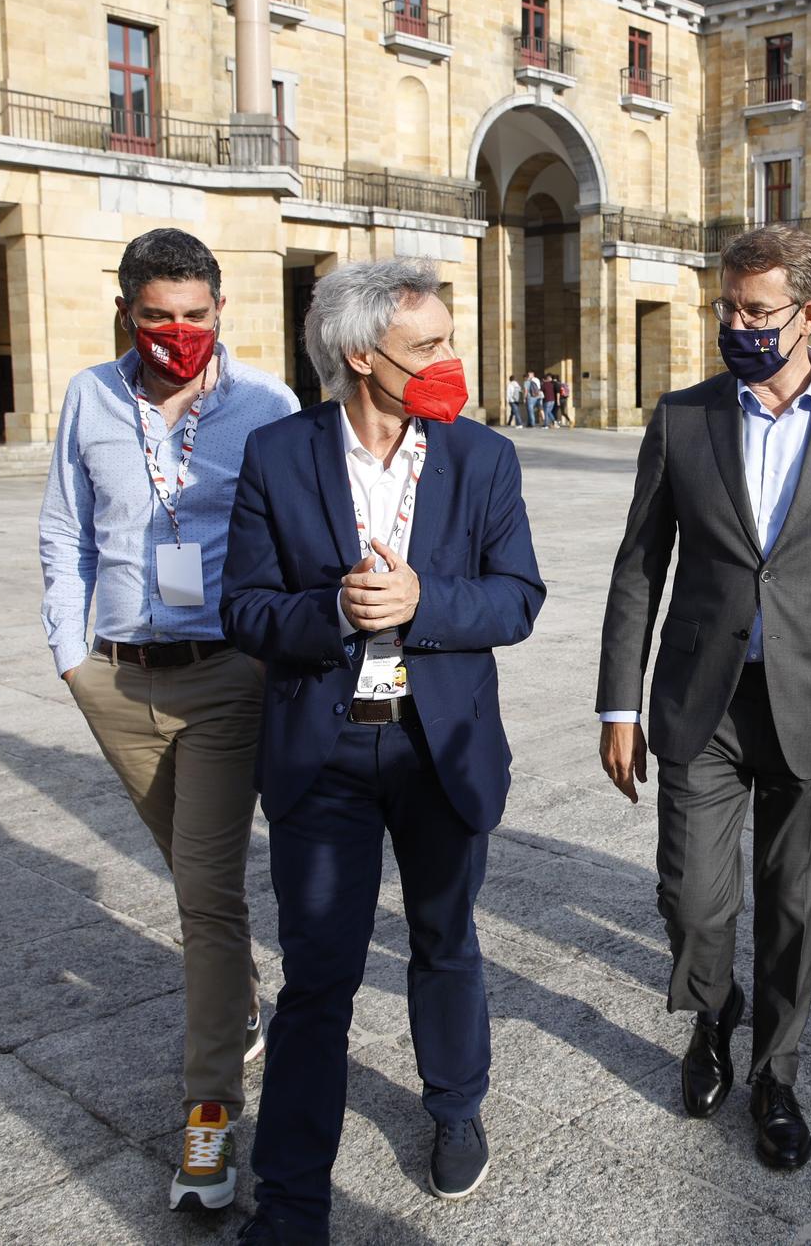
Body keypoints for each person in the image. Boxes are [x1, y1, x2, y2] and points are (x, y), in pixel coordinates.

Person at [596, 224, 811, 1171]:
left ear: (810, 315)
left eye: (756, 311)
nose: (735, 326)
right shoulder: (682, 419)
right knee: (694, 902)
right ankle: (711, 1011)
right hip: (699, 702)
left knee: (791, 904)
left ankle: (774, 1074)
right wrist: (617, 704)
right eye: (726, 309)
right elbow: (638, 570)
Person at [221, 257, 545, 1244]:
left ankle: (453, 1107)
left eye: (448, 339)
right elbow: (240, 606)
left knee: (445, 939)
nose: (450, 360)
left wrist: (424, 603)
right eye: (430, 346)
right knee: (318, 974)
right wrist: (329, 612)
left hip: (438, 744)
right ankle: (290, 1195)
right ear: (362, 357)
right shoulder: (279, 456)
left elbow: (517, 596)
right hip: (323, 754)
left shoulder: (480, 457)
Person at [38, 228, 299, 1213]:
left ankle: (206, 1119)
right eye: (159, 317)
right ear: (127, 313)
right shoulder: (87, 398)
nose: (178, 334)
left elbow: (304, 529)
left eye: (195, 317)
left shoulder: (265, 404)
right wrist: (69, 653)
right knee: (191, 877)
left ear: (219, 313)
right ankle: (237, 1004)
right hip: (117, 681)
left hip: (228, 675)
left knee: (205, 895)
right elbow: (64, 525)